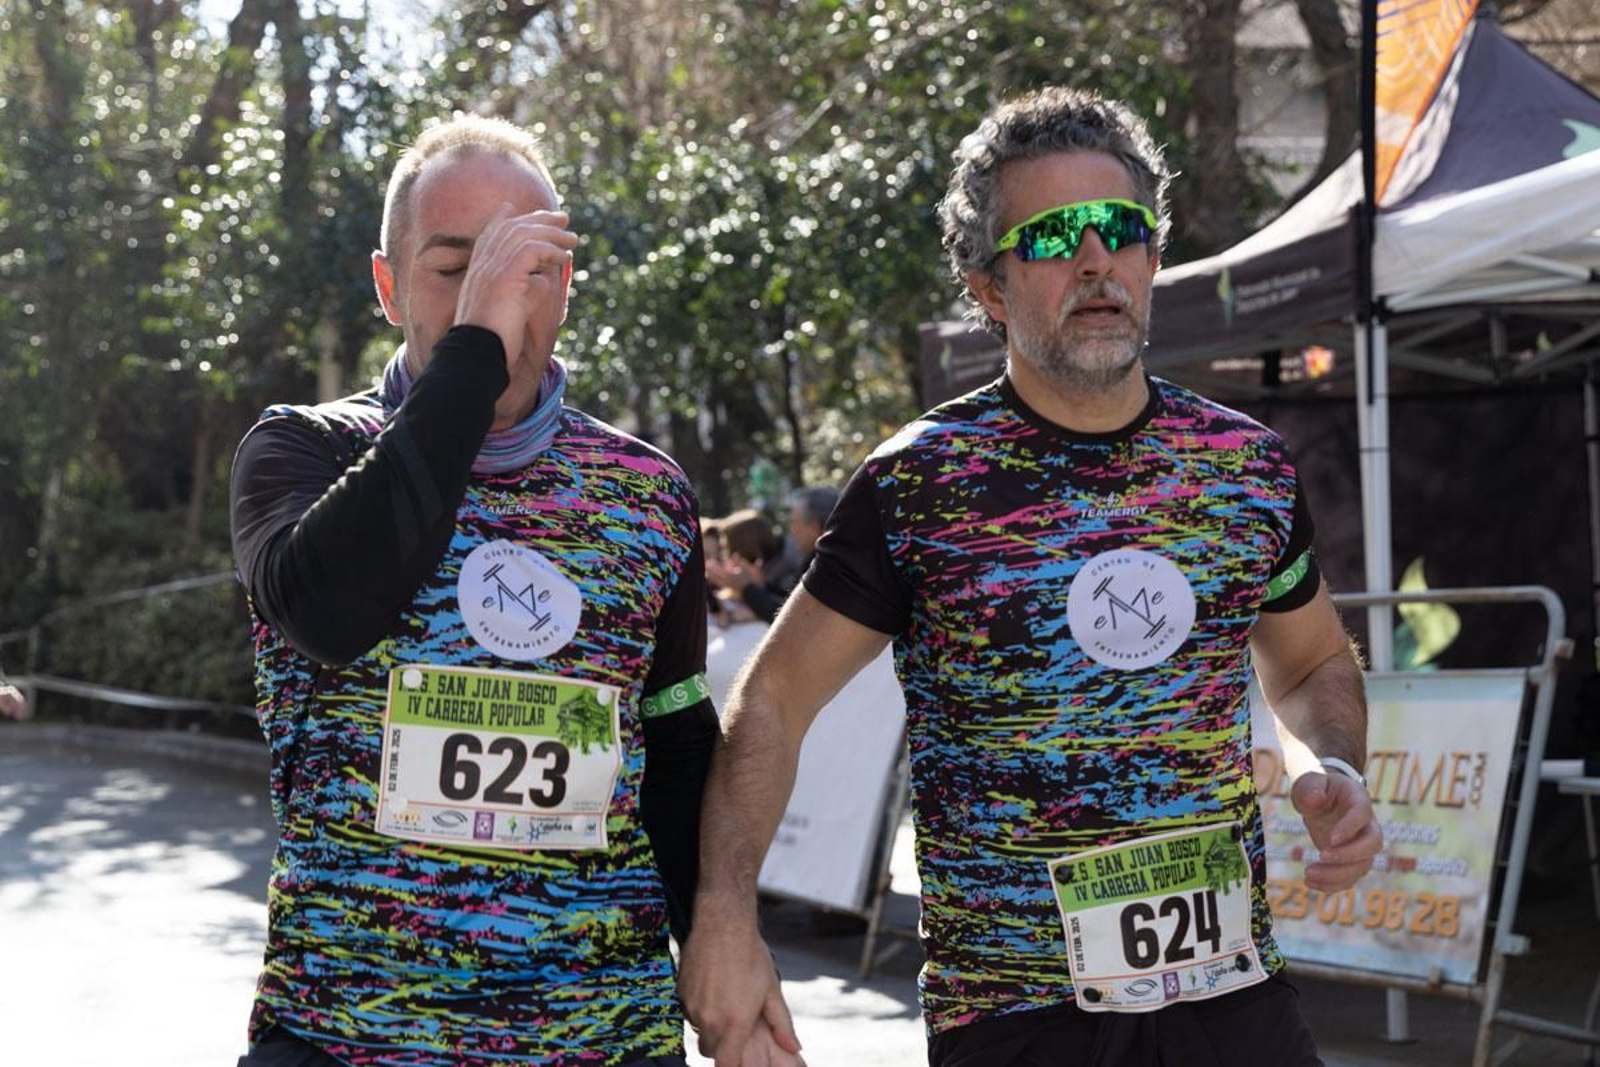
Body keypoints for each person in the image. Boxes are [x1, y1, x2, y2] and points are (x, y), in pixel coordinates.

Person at [679, 86, 1383, 1067]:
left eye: (1119, 228)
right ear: (987, 286)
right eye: (1054, 236)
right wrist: (723, 914)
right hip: (1018, 1019)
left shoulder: (1242, 464)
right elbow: (774, 701)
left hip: (1231, 995)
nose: (1095, 259)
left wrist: (1333, 768)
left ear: (1153, 254)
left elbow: (1310, 663)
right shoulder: (919, 482)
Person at [229, 115, 743, 1066]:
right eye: (456, 265)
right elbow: (331, 610)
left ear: (568, 282)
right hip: (351, 1034)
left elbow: (674, 746)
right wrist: (473, 353)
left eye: (525, 265)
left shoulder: (647, 490)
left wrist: (727, 940)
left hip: (604, 1037)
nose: (496, 295)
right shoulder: (301, 450)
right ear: (387, 285)